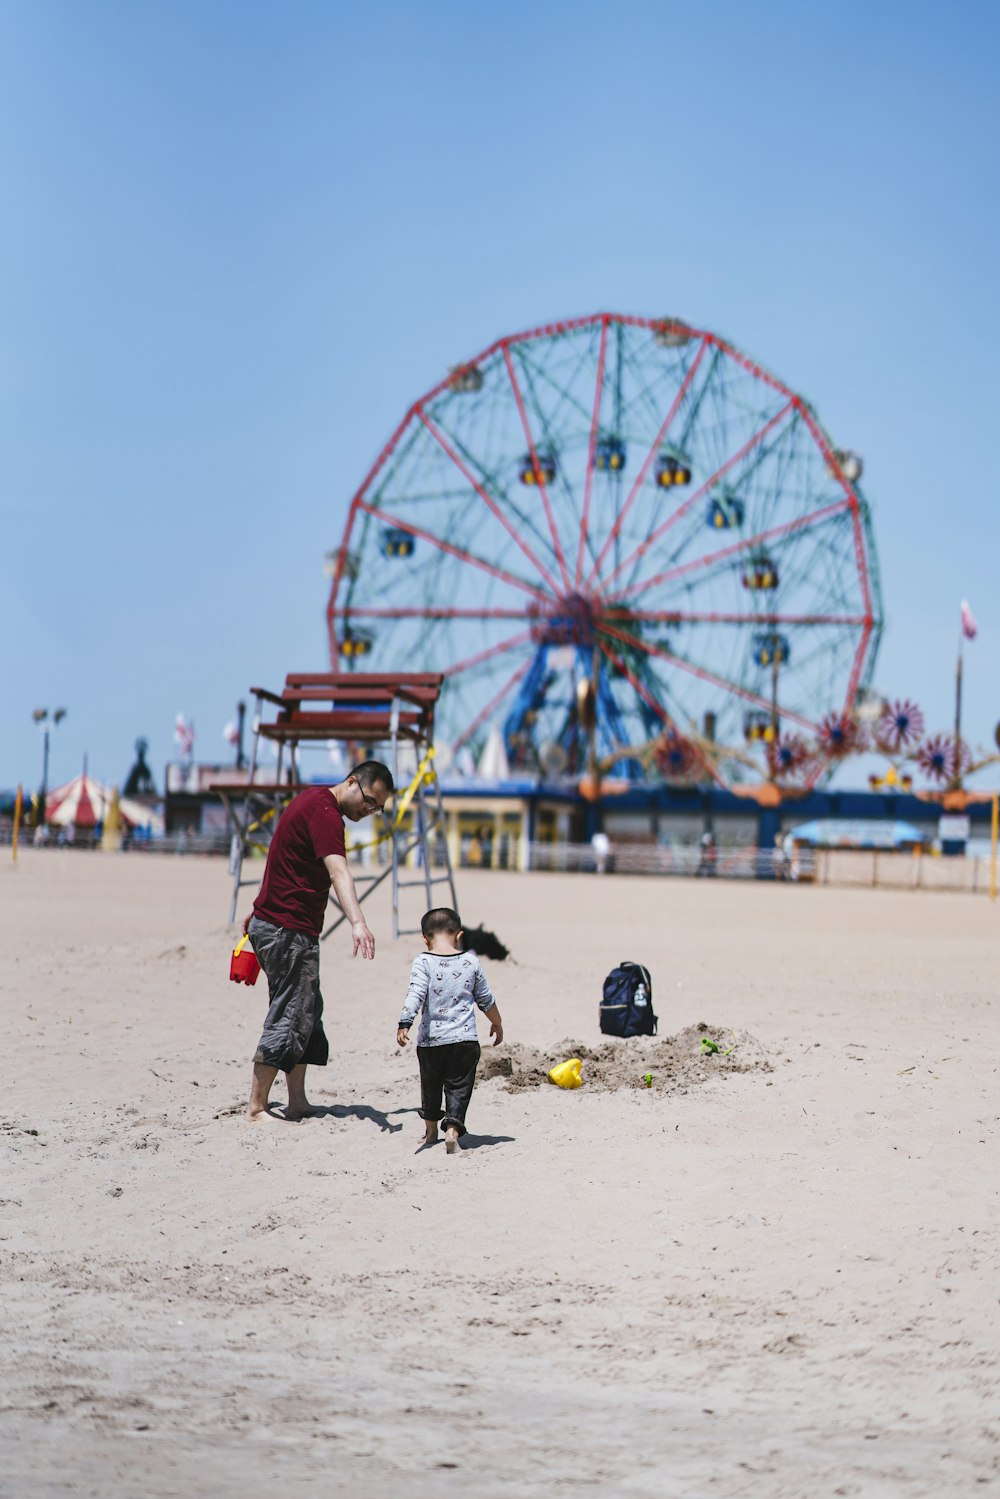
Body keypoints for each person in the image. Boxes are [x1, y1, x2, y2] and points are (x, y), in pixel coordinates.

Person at [243, 759, 394, 1121]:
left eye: (379, 808)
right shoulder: (325, 812)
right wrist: (357, 922)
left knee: (307, 1013)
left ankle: (297, 1100)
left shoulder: (313, 801)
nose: (371, 810)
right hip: (286, 929)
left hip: (279, 925)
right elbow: (339, 870)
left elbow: (283, 862)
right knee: (291, 1013)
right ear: (353, 782)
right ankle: (257, 1106)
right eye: (370, 801)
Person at [396, 907, 503, 1154]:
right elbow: (485, 998)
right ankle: (452, 1130)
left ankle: (431, 1130)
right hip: (464, 1040)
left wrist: (405, 1022)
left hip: (431, 1042)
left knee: (430, 1085)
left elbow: (415, 993)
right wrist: (496, 1022)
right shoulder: (471, 961)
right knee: (458, 1087)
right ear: (459, 935)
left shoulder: (423, 961)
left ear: (425, 938)